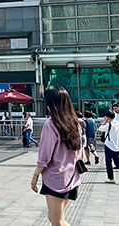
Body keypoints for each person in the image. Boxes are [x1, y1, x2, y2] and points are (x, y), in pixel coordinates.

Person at [31, 86, 82, 226]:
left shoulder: (51, 124)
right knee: (54, 218)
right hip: (72, 177)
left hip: (55, 179)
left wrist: (35, 176)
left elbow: (44, 157)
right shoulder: (75, 123)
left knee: (56, 222)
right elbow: (79, 152)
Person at [98, 111, 119, 184]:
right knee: (118, 163)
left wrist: (104, 121)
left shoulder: (109, 124)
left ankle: (111, 179)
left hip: (109, 145)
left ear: (108, 117)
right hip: (118, 146)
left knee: (108, 162)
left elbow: (100, 128)